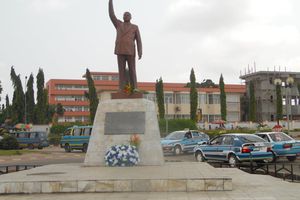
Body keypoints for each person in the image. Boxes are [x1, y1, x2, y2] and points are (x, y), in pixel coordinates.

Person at [109, 0, 143, 91]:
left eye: (128, 15)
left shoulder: (135, 27)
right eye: (124, 15)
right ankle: (121, 88)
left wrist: (140, 51)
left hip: (130, 51)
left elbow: (139, 40)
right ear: (123, 17)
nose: (126, 16)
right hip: (120, 50)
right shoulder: (119, 24)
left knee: (132, 70)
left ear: (131, 17)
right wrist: (110, 2)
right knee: (121, 71)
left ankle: (135, 87)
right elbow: (112, 15)